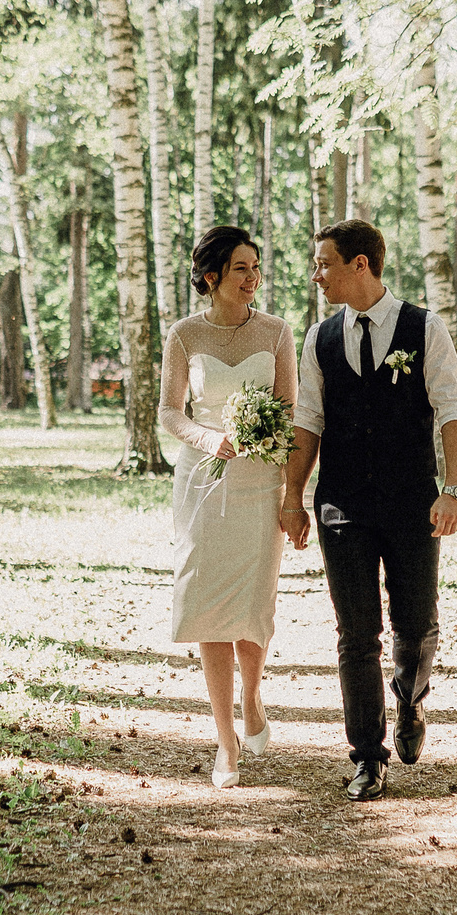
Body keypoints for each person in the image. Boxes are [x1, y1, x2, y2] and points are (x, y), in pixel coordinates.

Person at [280, 220, 457, 802]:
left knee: (416, 625)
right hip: (343, 507)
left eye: (324, 264)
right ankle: (367, 755)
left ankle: (410, 700)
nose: (316, 275)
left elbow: (452, 411)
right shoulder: (319, 339)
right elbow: (308, 422)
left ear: (359, 264)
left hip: (413, 503)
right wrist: (293, 496)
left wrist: (453, 489)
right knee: (356, 635)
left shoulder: (424, 328)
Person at [160, 226, 297, 789]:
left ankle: (253, 697)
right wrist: (206, 438)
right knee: (209, 607)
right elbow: (170, 412)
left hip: (260, 483)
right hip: (202, 482)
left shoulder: (278, 332)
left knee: (253, 606)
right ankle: (224, 739)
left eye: (256, 267)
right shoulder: (184, 335)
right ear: (212, 276)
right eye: (242, 268)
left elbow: (290, 408)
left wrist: (285, 474)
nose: (253, 278)